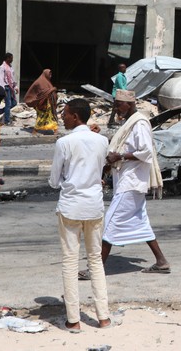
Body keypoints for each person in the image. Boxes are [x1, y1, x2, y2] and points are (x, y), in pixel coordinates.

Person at [80, 89, 170, 280]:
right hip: (127, 181)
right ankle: (161, 262)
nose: (115, 109)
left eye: (118, 104)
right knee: (141, 223)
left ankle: (96, 270)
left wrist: (119, 156)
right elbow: (119, 147)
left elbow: (145, 152)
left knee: (108, 225)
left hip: (132, 182)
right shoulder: (130, 123)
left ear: (129, 104)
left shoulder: (139, 123)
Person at [48, 98, 112, 331]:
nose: (62, 117)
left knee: (70, 261)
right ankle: (103, 317)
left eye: (65, 114)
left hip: (71, 206)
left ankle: (73, 320)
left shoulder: (64, 143)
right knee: (95, 260)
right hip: (94, 206)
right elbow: (101, 168)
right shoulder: (102, 140)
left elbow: (55, 181)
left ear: (75, 116)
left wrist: (66, 178)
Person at [24, 69, 58, 134]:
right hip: (42, 104)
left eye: (51, 74)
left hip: (49, 104)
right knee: (41, 117)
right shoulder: (39, 82)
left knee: (52, 116)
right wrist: (52, 89)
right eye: (49, 74)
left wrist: (52, 91)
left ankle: (55, 130)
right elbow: (43, 93)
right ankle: (35, 131)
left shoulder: (48, 82)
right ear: (45, 74)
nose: (50, 76)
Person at [0, 53, 18, 126]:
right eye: (11, 58)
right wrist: (3, 90)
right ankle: (7, 121)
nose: (12, 59)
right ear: (7, 58)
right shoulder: (2, 67)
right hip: (6, 87)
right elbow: (1, 79)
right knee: (8, 104)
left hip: (11, 87)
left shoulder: (10, 67)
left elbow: (12, 78)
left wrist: (15, 87)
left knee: (14, 103)